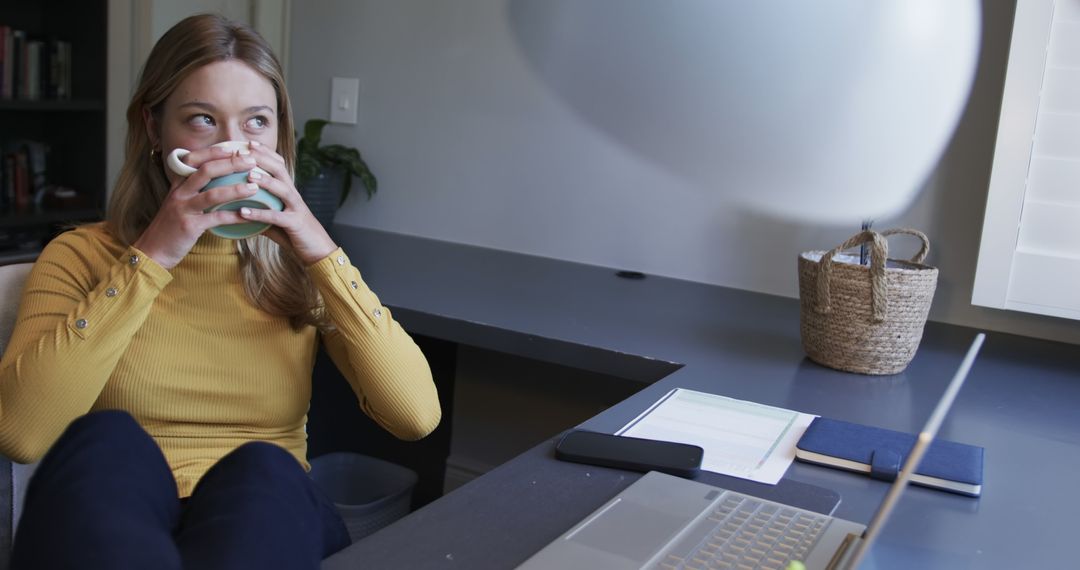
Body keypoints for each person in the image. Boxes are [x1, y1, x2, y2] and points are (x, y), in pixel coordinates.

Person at [0, 13, 441, 570]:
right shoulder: (81, 257)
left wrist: (320, 253)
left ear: (278, 135)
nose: (235, 147)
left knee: (264, 467)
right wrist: (155, 254)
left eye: (256, 122)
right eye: (203, 120)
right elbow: (21, 433)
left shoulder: (299, 269)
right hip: (122, 511)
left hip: (261, 514)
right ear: (155, 129)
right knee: (105, 441)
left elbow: (415, 416)